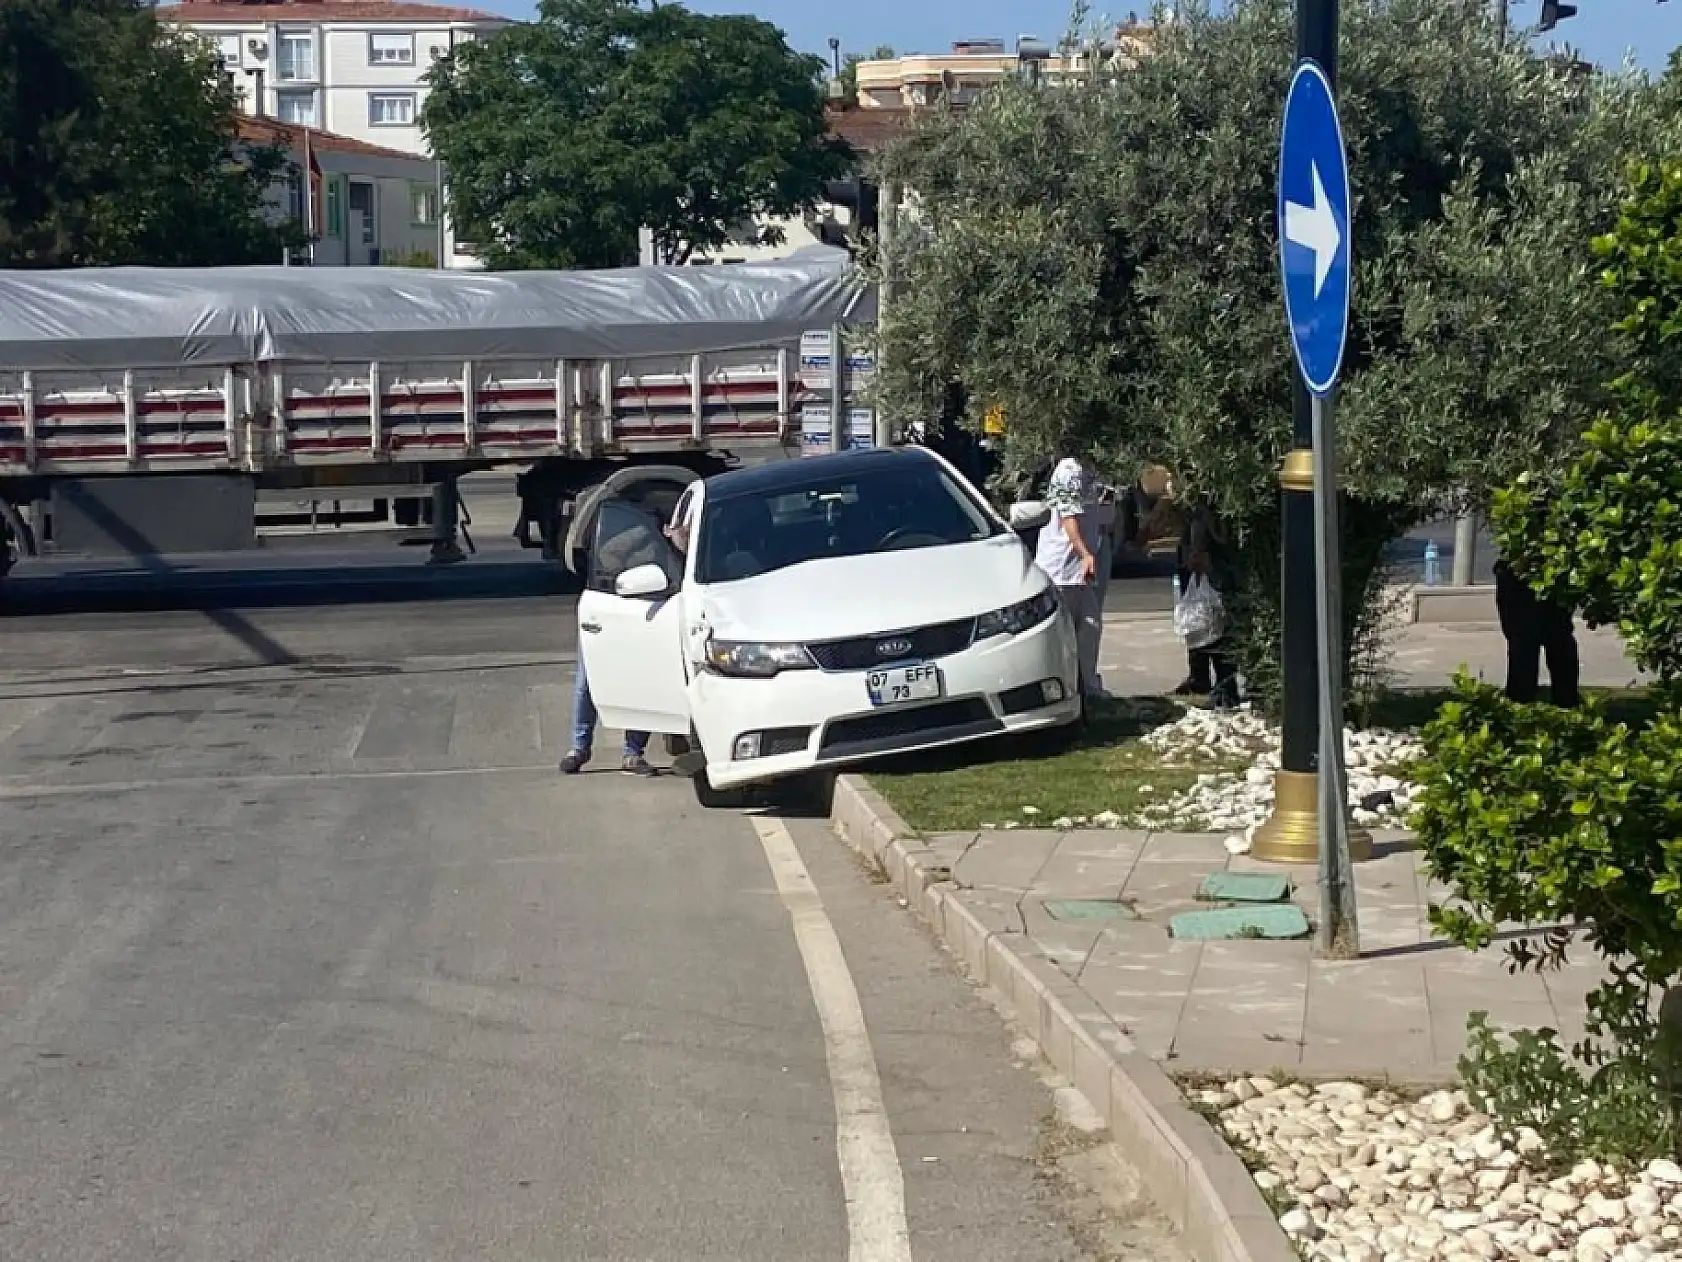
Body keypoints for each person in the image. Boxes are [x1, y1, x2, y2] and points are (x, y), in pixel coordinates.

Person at [560, 498, 693, 778]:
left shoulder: (675, 535)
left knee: (643, 681)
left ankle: (632, 753)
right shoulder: (628, 531)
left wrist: (678, 539)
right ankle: (579, 748)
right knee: (587, 683)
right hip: (612, 608)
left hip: (651, 612)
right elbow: (604, 560)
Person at [1033, 453, 1105, 701]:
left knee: (1090, 627)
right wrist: (1085, 553)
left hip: (1080, 571)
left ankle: (1089, 689)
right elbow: (1068, 518)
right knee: (1065, 633)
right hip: (1061, 568)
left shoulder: (1090, 470)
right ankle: (1067, 691)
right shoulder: (1067, 471)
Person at [1172, 503, 1241, 708]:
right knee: (1205, 623)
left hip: (1212, 564)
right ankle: (1206, 680)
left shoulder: (1205, 503)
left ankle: (1223, 688)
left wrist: (1198, 550)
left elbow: (1203, 520)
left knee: (1214, 625)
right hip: (1210, 561)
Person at [1494, 557, 1580, 707]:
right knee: (1524, 642)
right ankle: (1523, 700)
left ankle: (1564, 700)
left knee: (1556, 640)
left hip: (1549, 571)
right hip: (1521, 574)